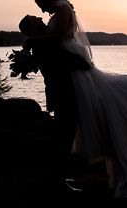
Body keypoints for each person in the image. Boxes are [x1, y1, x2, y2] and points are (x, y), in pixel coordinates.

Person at [31, 0, 127, 199]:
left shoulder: (61, 8)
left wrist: (32, 40)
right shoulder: (61, 7)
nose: (41, 11)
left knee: (75, 118)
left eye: (41, 5)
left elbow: (59, 37)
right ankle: (64, 174)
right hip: (68, 68)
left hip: (73, 67)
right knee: (71, 120)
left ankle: (65, 174)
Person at [18, 14, 91, 192]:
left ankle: (58, 177)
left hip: (61, 93)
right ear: (32, 27)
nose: (38, 16)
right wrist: (82, 61)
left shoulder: (42, 41)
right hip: (62, 94)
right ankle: (58, 180)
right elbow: (62, 61)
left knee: (64, 134)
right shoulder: (42, 44)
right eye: (33, 18)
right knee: (64, 136)